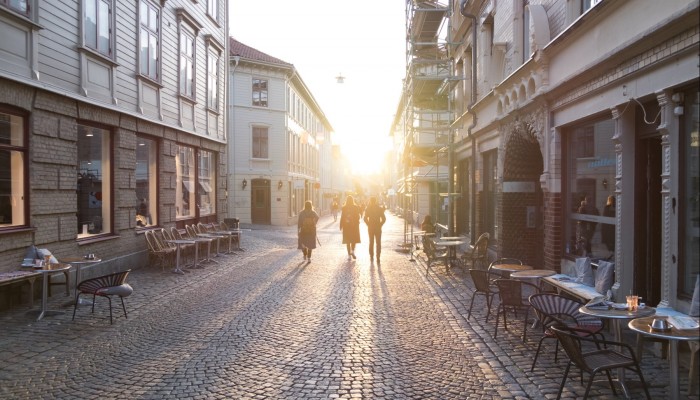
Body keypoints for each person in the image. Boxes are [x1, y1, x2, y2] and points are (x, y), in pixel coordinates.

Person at [363, 196, 386, 264]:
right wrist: (380, 224)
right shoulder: (379, 208)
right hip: (378, 228)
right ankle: (378, 256)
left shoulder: (368, 208)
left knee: (371, 242)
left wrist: (368, 224)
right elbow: (384, 219)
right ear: (375, 201)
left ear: (370, 201)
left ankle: (371, 256)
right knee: (378, 243)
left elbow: (365, 218)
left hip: (371, 228)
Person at [340, 195, 361, 260]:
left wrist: (341, 225)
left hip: (346, 226)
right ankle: (352, 250)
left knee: (347, 240)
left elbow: (342, 216)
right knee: (354, 239)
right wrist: (356, 222)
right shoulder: (355, 207)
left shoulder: (344, 207)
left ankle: (349, 255)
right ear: (352, 200)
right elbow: (358, 216)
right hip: (354, 226)